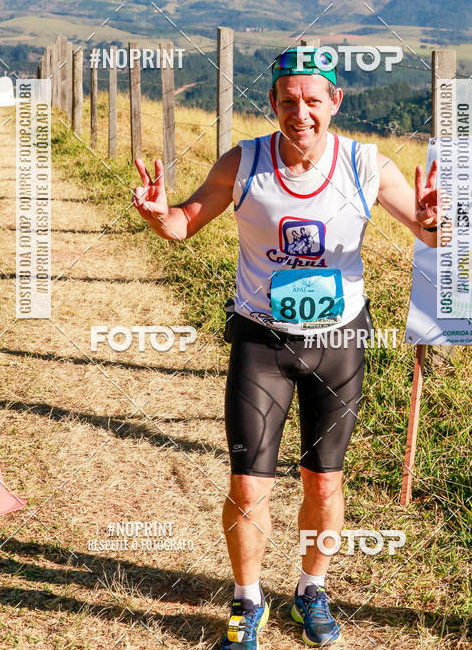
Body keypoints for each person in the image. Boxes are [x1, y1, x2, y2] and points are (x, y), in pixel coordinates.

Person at [132, 48, 448, 648]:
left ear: (335, 102)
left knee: (323, 482)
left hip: (338, 341)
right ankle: (247, 601)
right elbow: (182, 224)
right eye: (286, 101)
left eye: (312, 100)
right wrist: (156, 214)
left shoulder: (365, 164)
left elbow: (428, 230)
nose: (299, 113)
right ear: (272, 102)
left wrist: (439, 219)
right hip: (261, 341)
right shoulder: (245, 161)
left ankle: (311, 589)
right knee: (249, 483)